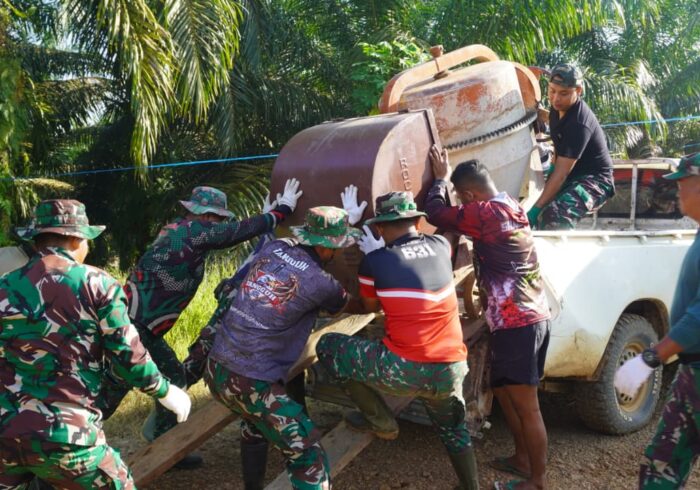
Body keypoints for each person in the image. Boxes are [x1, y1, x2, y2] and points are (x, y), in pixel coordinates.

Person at [100, 179, 302, 468]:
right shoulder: (192, 232)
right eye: (218, 219)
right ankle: (68, 446)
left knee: (173, 377)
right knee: (112, 391)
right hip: (136, 327)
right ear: (207, 216)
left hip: (142, 325)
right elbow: (234, 233)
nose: (220, 225)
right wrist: (281, 211)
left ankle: (162, 443)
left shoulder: (181, 231)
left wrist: (266, 220)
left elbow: (231, 233)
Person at [0, 199, 191, 489]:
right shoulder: (96, 283)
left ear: (36, 241)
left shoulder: (5, 285)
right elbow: (127, 354)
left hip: (6, 435)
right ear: (77, 240)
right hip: (67, 437)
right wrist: (164, 391)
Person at [316, 191, 479, 490]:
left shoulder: (374, 262)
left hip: (403, 370)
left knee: (328, 347)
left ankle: (381, 421)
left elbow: (371, 307)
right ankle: (471, 487)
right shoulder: (441, 245)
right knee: (453, 430)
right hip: (451, 368)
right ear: (416, 222)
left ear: (379, 228)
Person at [204, 206, 362, 490]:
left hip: (217, 370)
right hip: (252, 381)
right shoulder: (321, 282)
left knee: (255, 422)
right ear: (327, 248)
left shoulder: (274, 249)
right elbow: (353, 305)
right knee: (308, 456)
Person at [425, 145, 551, 490]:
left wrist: (439, 180)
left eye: (460, 198)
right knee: (504, 390)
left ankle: (538, 480)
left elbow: (435, 213)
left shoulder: (485, 213)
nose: (461, 204)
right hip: (525, 320)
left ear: (469, 195)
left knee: (527, 405)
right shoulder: (511, 205)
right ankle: (522, 459)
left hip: (519, 323)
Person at [615, 152, 700, 489]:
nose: (676, 191)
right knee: (661, 464)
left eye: (683, 183)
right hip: (692, 371)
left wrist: (651, 357)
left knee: (662, 466)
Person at [526, 63, 615, 230]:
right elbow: (559, 149)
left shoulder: (579, 123)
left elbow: (561, 174)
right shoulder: (556, 110)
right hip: (570, 176)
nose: (555, 99)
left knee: (556, 215)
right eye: (552, 91)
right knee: (539, 206)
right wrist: (549, 175)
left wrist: (535, 209)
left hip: (596, 180)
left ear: (578, 91)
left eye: (564, 93)